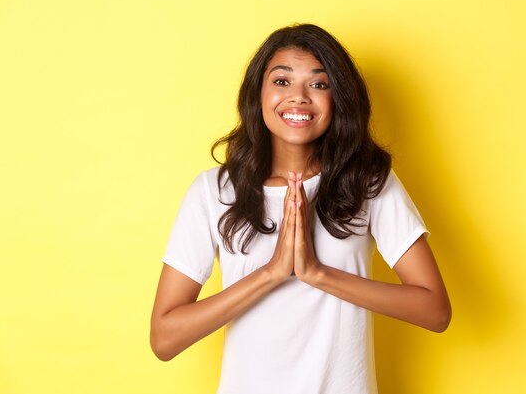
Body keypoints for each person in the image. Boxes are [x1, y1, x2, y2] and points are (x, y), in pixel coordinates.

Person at [150, 23, 451, 394]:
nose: (298, 97)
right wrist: (272, 273)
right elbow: (164, 339)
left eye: (319, 84)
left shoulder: (367, 183)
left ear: (338, 98)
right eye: (281, 81)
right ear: (257, 93)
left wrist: (317, 273)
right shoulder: (213, 191)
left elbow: (435, 311)